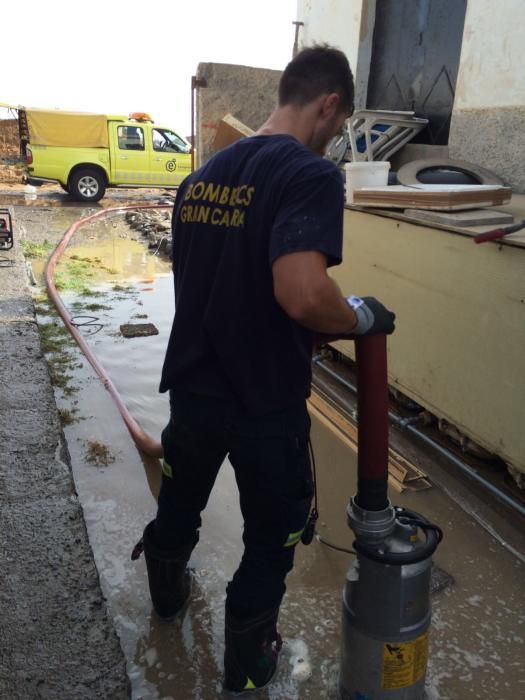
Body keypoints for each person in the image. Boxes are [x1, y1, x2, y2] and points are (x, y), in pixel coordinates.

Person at [140, 45, 395, 694]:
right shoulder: (307, 175)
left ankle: (165, 604)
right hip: (264, 405)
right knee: (268, 543)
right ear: (327, 104)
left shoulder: (202, 177)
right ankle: (248, 670)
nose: (333, 140)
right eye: (336, 128)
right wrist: (358, 317)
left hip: (193, 391)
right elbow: (303, 294)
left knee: (179, 509)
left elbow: (205, 280)